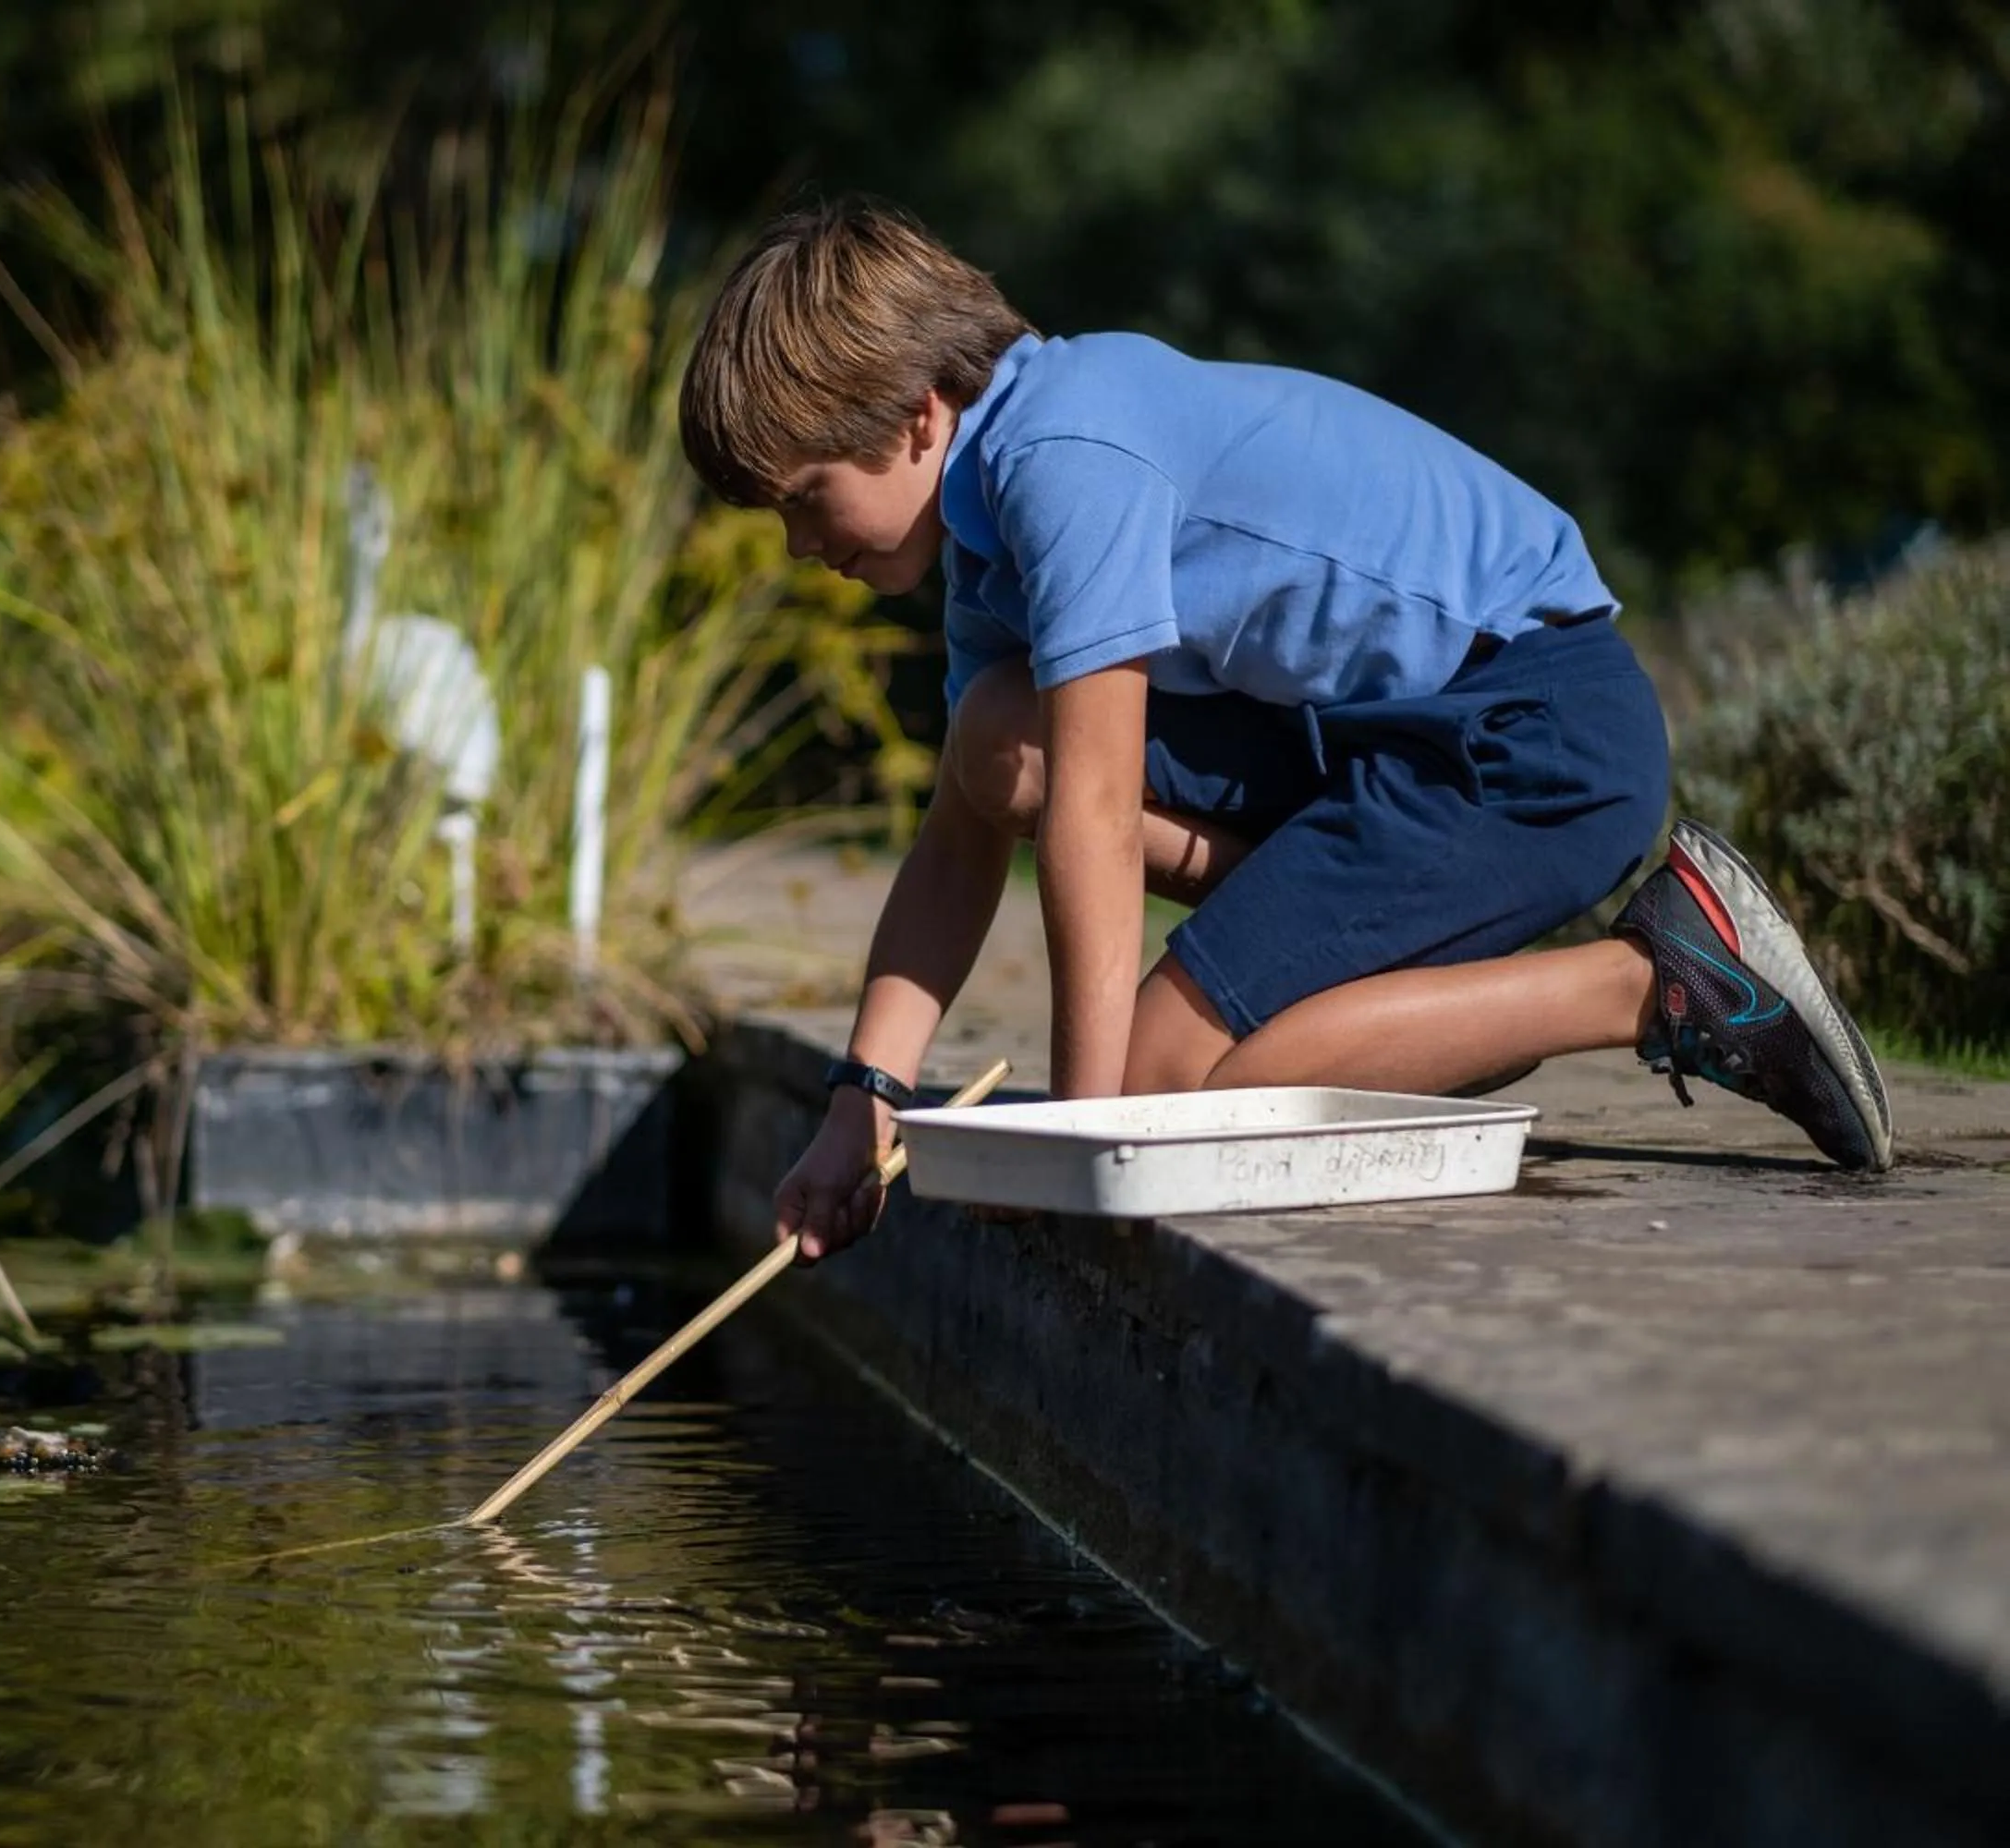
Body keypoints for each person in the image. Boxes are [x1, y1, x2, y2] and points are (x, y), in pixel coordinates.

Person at [676, 198, 1894, 1259]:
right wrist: (861, 1103)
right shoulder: (986, 545)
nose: (797, 545)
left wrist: (1086, 1130)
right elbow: (963, 838)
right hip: (1374, 745)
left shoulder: (1063, 452)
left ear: (915, 420)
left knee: (1169, 1091)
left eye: (800, 499)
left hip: (1531, 737)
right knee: (997, 735)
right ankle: (1407, 980)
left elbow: (1096, 815)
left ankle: (1660, 980)